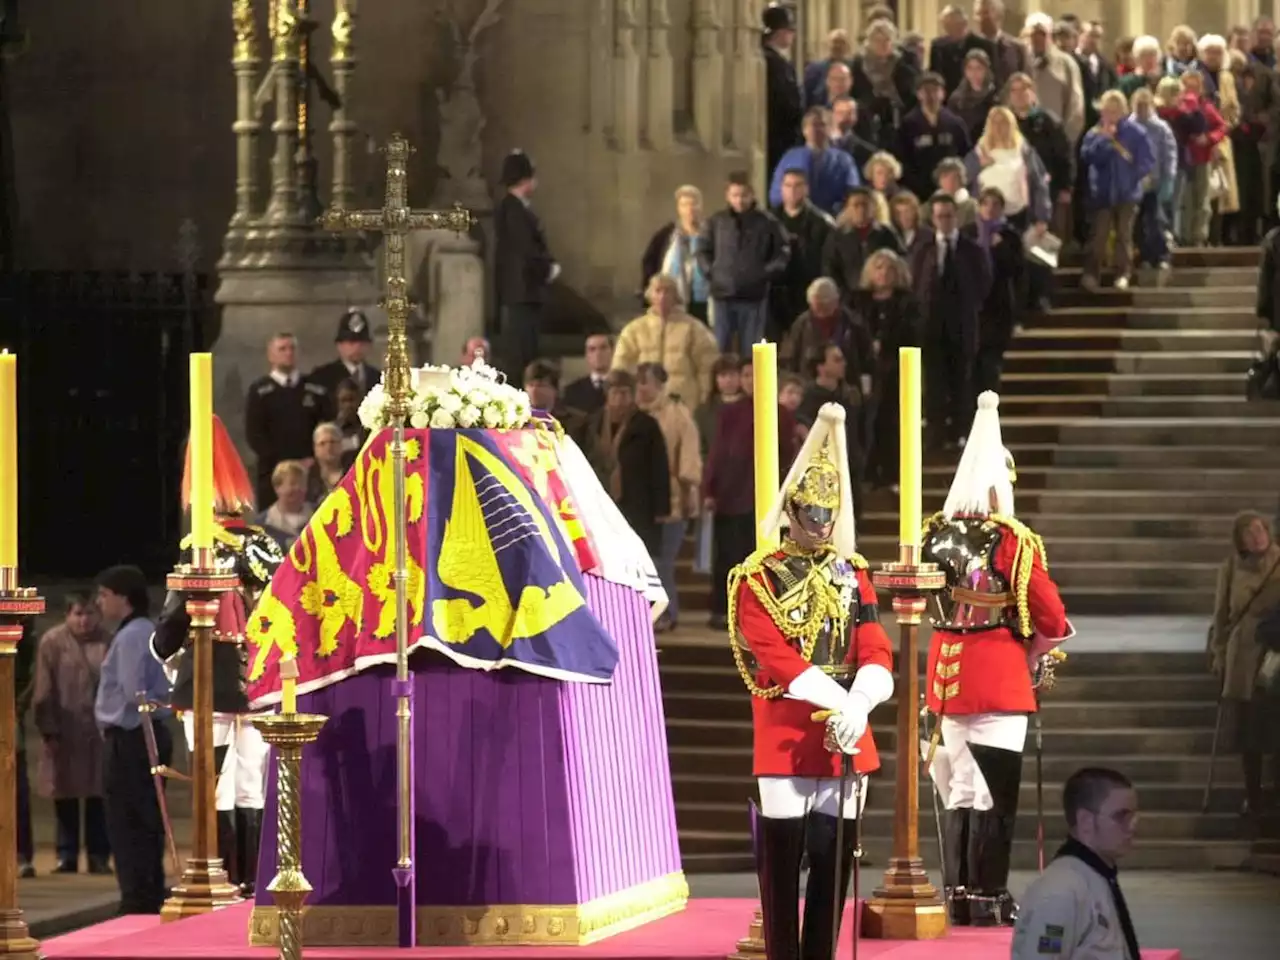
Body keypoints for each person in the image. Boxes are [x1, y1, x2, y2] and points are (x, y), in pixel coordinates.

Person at [727, 403, 894, 960]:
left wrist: (862, 701)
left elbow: (874, 643)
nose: (821, 524)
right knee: (781, 874)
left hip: (849, 729)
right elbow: (775, 657)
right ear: (792, 512)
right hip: (788, 728)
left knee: (833, 871)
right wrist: (841, 702)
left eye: (829, 514)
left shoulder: (855, 573)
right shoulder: (758, 577)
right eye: (811, 513)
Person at [921, 391, 1072, 926]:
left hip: (943, 677)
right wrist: (1030, 654)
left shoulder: (932, 533)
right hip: (996, 677)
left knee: (958, 789)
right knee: (993, 792)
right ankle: (986, 896)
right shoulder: (1011, 540)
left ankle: (956, 893)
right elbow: (1050, 615)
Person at [150, 415, 286, 898]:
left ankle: (218, 875)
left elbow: (168, 634)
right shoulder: (267, 544)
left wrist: (162, 655)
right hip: (260, 680)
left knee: (215, 785)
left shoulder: (199, 551)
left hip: (208, 681)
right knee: (252, 782)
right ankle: (251, 879)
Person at [94, 564, 171, 915]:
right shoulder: (138, 631)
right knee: (137, 819)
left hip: (132, 738)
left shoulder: (133, 635)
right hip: (134, 735)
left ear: (122, 598)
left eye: (104, 595)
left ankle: (139, 897)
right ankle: (144, 892)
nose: (99, 602)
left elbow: (133, 692)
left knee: (131, 822)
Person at [1012, 768, 1144, 960]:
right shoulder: (1060, 892)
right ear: (1085, 821)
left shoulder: (1097, 876)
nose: (1133, 826)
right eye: (1121, 816)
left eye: (1134, 816)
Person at [32, 593, 112, 874]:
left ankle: (98, 855)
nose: (84, 620)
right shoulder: (52, 642)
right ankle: (66, 856)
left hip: (98, 731)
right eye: (78, 613)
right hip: (64, 731)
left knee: (98, 796)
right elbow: (43, 687)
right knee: (64, 795)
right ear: (67, 615)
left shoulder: (108, 640)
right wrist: (48, 728)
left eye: (89, 613)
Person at [1208, 511, 1280, 820]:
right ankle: (1253, 795)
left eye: (1260, 530)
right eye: (1249, 533)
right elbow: (1222, 613)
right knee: (1248, 729)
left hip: (1274, 650)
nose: (1256, 537)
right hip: (1243, 654)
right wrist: (1219, 651)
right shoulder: (1230, 568)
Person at [697, 172, 791, 353]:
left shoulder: (768, 222)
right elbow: (702, 250)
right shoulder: (717, 221)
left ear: (752, 195)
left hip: (753, 296)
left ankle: (754, 381)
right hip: (722, 294)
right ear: (727, 196)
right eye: (735, 195)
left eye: (744, 195)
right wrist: (712, 273)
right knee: (720, 349)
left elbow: (782, 252)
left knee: (753, 349)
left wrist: (765, 274)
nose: (739, 200)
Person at [494, 149, 558, 384]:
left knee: (527, 352)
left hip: (524, 294)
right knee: (522, 357)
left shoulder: (516, 209)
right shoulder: (514, 210)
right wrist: (548, 269)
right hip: (522, 294)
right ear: (525, 178)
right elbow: (526, 250)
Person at [639, 185, 712, 323]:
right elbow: (650, 262)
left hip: (704, 298)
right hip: (674, 298)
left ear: (700, 206)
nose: (690, 209)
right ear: (678, 208)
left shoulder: (710, 232)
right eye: (684, 204)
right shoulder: (667, 235)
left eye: (693, 204)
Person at [762, 4, 804, 177]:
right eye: (790, 30)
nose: (793, 35)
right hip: (778, 135)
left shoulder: (777, 60)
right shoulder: (772, 62)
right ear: (780, 32)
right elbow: (785, 101)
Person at [308, 308, 380, 399]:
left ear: (369, 345)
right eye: (351, 343)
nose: (357, 347)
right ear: (339, 345)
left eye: (362, 343)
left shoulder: (378, 379)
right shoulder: (322, 377)